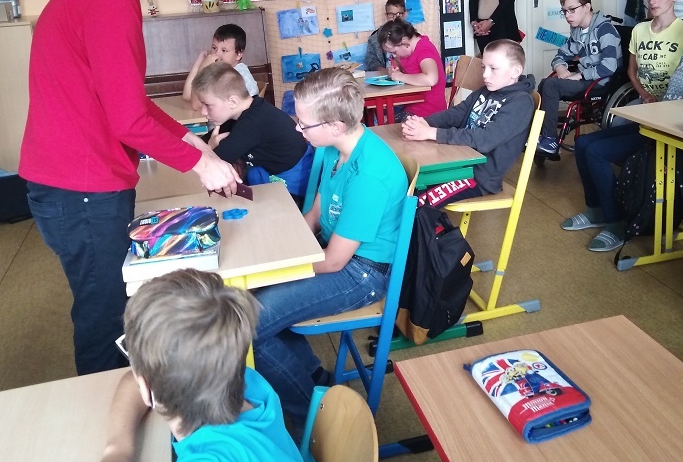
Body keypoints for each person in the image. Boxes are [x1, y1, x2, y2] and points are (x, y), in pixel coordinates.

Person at [20, 0, 241, 376]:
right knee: (104, 318)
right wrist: (200, 163)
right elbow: (127, 121)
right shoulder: (111, 0)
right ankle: (109, 417)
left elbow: (128, 102)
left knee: (107, 306)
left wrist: (191, 141)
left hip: (74, 180)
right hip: (80, 187)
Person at [252, 68, 408, 427]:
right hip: (340, 258)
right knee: (255, 296)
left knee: (247, 326)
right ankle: (312, 376)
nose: (297, 129)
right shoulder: (332, 151)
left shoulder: (368, 174)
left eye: (303, 124)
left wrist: (281, 266)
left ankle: (315, 416)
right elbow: (316, 216)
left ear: (335, 126)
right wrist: (277, 252)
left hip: (363, 273)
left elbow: (336, 261)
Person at [72, 269, 314, 462]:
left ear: (147, 388)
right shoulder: (247, 382)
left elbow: (134, 382)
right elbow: (131, 383)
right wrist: (117, 453)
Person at [563, 0, 683, 253]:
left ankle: (617, 223)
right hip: (653, 115)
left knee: (596, 151)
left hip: (674, 128)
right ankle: (597, 209)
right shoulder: (680, 52)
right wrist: (645, 97)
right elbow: (641, 74)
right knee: (583, 143)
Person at [402, 39, 535, 207]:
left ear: (516, 71)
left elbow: (485, 139)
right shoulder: (486, 91)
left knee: (416, 202)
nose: (485, 74)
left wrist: (431, 133)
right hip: (459, 162)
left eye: (493, 68)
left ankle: (434, 225)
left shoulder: (520, 103)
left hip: (478, 176)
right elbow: (456, 113)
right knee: (405, 184)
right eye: (483, 67)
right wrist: (423, 123)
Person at [193, 62, 313, 199]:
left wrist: (211, 148)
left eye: (208, 105)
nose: (203, 111)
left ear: (233, 102)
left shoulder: (252, 123)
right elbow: (198, 145)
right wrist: (208, 146)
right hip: (272, 171)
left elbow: (212, 165)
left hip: (294, 185)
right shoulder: (245, 111)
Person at [535, 0, 622, 157]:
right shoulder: (578, 32)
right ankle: (543, 134)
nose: (567, 15)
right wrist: (560, 67)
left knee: (550, 85)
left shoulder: (605, 30)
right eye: (564, 11)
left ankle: (550, 140)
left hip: (600, 82)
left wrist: (580, 75)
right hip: (585, 79)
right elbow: (561, 55)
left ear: (587, 6)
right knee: (545, 83)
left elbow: (609, 66)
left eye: (572, 10)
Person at [378, 18, 448, 118]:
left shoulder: (424, 49)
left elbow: (431, 79)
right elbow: (398, 62)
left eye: (394, 52)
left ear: (404, 42)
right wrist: (395, 69)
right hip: (412, 108)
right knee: (387, 122)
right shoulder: (406, 51)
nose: (393, 55)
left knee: (388, 126)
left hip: (429, 113)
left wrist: (401, 76)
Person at [183, 23, 259, 110]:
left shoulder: (233, 75)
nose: (217, 54)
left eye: (224, 50)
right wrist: (199, 61)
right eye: (214, 48)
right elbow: (187, 95)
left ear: (239, 54)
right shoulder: (220, 71)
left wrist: (203, 67)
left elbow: (197, 105)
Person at [365, 0, 407, 71]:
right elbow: (370, 59)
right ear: (386, 15)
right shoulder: (376, 37)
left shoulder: (412, 36)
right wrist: (382, 70)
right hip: (384, 75)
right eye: (391, 14)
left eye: (399, 14)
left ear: (404, 14)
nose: (395, 18)